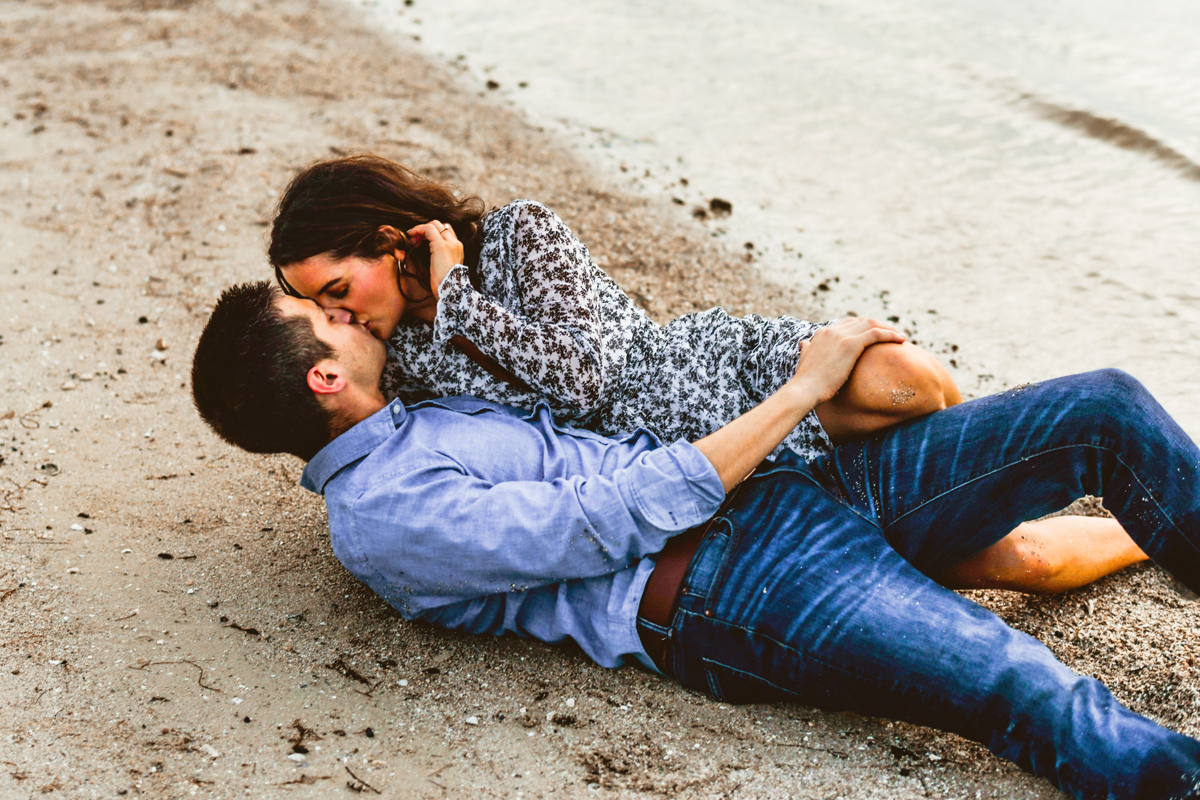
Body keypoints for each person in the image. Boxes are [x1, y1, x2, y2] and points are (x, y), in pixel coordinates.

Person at [192, 281, 1200, 800]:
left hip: (787, 493)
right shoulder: (387, 518)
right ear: (326, 378)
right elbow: (603, 522)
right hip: (731, 588)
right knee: (1020, 679)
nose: (337, 309)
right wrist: (801, 387)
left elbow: (542, 345)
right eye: (319, 315)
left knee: (1102, 408)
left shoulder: (406, 408)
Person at [266, 155, 1146, 594]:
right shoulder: (401, 362)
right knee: (1010, 562)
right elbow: (572, 416)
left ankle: (992, 478)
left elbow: (590, 369)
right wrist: (446, 306)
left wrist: (461, 291)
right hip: (677, 465)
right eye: (323, 309)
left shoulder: (520, 236)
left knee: (905, 379)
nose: (340, 322)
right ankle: (1138, 529)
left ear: (392, 241)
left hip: (696, 368)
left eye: (338, 293)